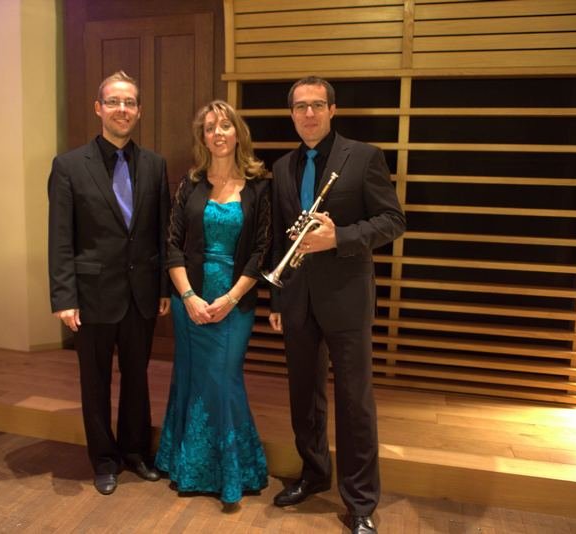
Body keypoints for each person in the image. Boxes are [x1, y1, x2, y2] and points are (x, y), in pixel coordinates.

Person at [268, 76, 406, 534]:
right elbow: (280, 238)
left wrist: (339, 238)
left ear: (332, 109)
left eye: (317, 105)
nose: (308, 113)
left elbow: (393, 220)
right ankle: (313, 474)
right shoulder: (282, 167)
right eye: (300, 106)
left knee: (354, 403)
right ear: (291, 113)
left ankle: (361, 501)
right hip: (297, 298)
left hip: (347, 298)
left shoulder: (363, 157)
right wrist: (277, 296)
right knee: (303, 397)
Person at [48, 70, 171, 495]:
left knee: (137, 377)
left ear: (139, 111)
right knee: (95, 381)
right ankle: (103, 459)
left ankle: (135, 451)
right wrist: (64, 297)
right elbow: (60, 237)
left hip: (141, 295)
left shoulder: (155, 165)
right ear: (98, 108)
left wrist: (162, 288)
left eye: (130, 102)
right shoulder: (68, 166)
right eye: (114, 102)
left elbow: (160, 232)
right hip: (91, 295)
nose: (123, 109)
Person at [155, 100, 270, 507]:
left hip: (234, 301)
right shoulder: (190, 183)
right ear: (202, 137)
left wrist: (231, 297)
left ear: (238, 132)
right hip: (189, 298)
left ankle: (235, 471)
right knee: (190, 377)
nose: (217, 133)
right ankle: (188, 465)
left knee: (224, 379)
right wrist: (187, 296)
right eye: (209, 128)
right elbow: (171, 244)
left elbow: (261, 250)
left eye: (224, 125)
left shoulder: (259, 186)